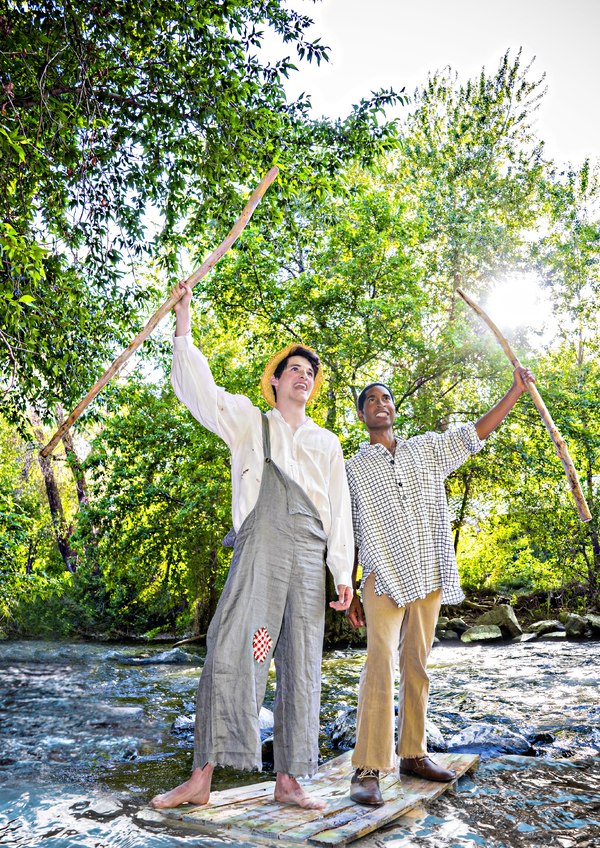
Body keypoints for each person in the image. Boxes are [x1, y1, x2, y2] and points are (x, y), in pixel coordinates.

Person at [150, 282, 354, 812]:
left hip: (310, 559)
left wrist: (343, 573)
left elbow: (338, 510)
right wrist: (184, 320)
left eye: (310, 373)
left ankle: (289, 782)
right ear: (275, 381)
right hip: (259, 550)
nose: (303, 376)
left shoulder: (327, 443)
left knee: (301, 661)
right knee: (236, 647)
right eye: (294, 370)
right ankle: (202, 779)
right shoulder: (248, 421)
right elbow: (201, 392)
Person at [346, 367, 535, 806]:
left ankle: (413, 753)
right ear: (361, 416)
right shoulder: (352, 469)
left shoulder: (427, 450)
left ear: (394, 409)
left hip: (427, 569)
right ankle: (368, 766)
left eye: (385, 398)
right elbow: (349, 528)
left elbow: (476, 433)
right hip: (380, 572)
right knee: (379, 662)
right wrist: (351, 583)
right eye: (370, 400)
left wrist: (514, 391)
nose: (380, 403)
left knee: (418, 661)